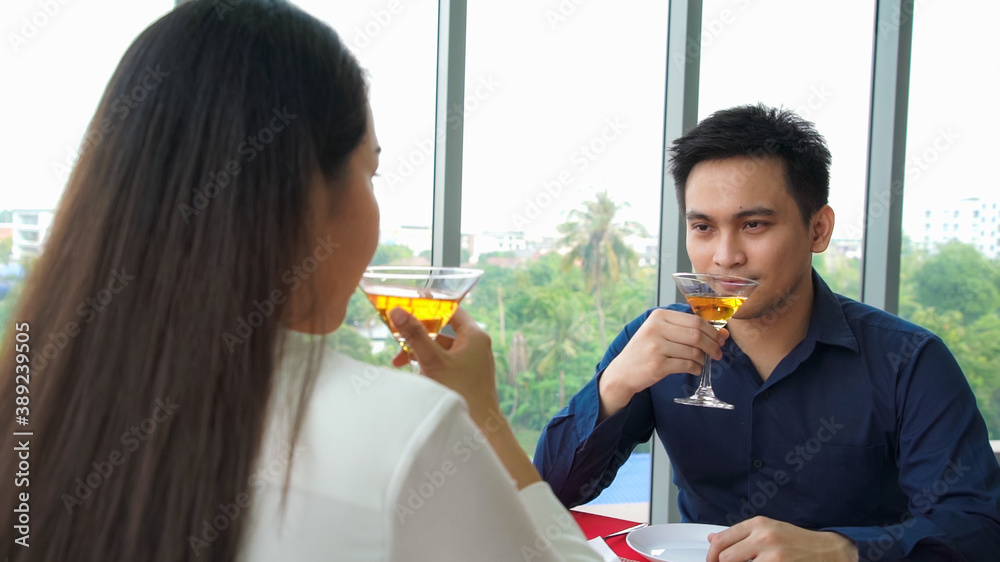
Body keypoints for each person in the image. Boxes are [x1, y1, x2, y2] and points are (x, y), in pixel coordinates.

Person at [0, 1, 602, 561]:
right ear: (304, 191)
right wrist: (484, 417)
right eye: (370, 169)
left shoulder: (29, 395)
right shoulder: (405, 432)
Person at [534, 104, 1000, 561]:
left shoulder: (909, 362)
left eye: (753, 224)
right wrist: (614, 387)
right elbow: (546, 493)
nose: (724, 256)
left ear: (818, 229)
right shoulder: (653, 342)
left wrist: (840, 550)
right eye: (703, 227)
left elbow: (978, 529)